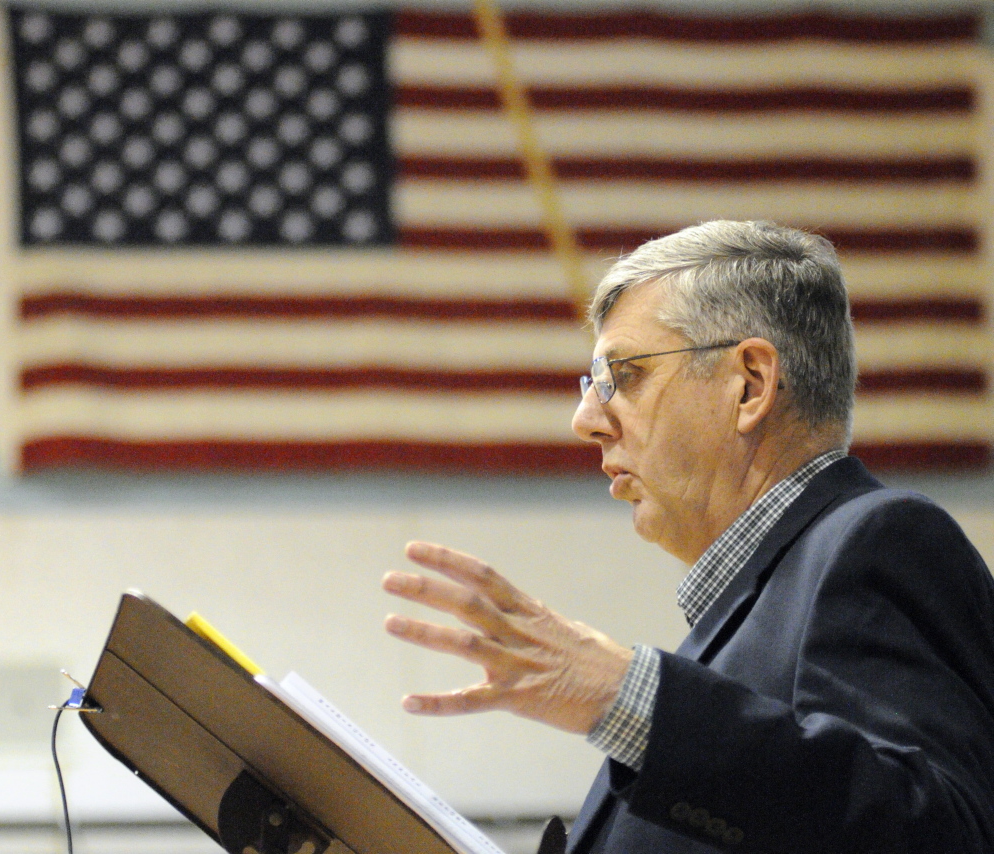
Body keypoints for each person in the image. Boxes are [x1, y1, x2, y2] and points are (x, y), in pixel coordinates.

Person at [381, 220, 994, 853]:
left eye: (624, 375)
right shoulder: (751, 613)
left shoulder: (876, 540)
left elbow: (937, 835)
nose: (585, 419)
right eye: (591, 384)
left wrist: (628, 698)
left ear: (750, 385)